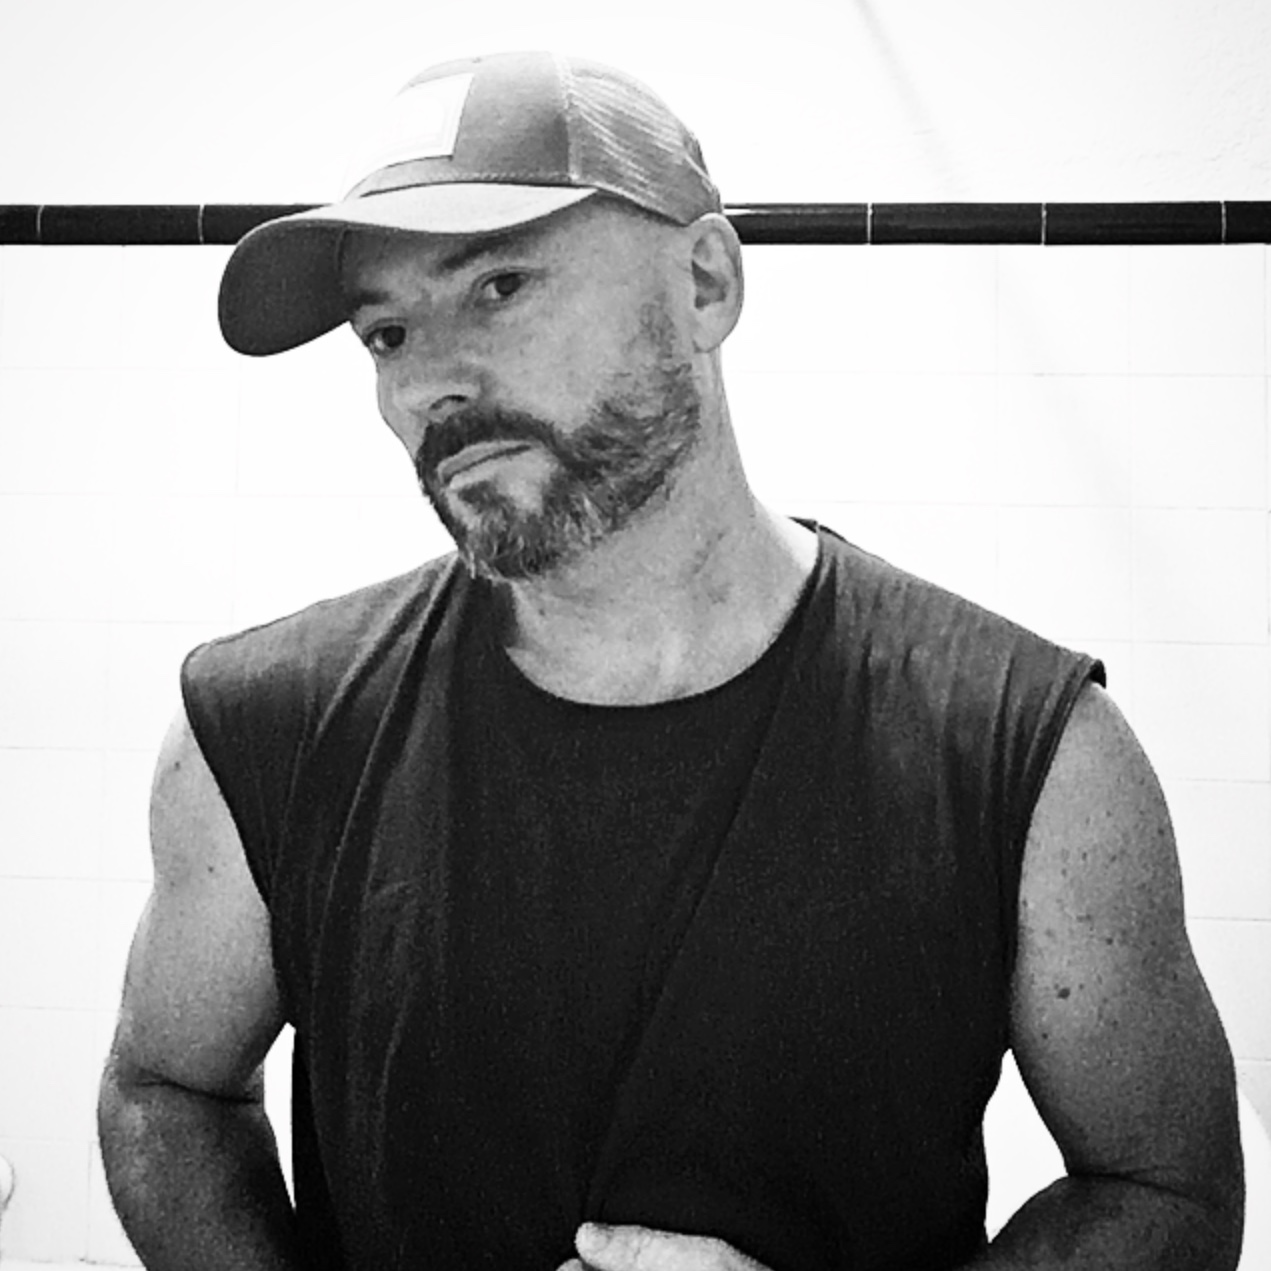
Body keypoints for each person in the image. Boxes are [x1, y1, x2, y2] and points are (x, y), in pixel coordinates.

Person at [97, 50, 1245, 1270]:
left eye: (498, 284)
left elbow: (1165, 1191)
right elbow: (163, 1088)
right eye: (386, 331)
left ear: (703, 282)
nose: (427, 382)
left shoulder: (1025, 752)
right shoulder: (261, 730)